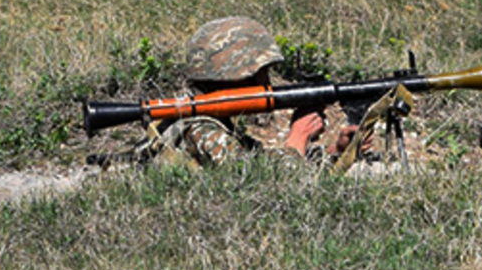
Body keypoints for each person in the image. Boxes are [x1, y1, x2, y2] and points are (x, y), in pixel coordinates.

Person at [146, 17, 365, 168]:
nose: (266, 83)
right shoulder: (201, 130)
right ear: (232, 75)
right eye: (259, 74)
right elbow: (263, 185)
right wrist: (299, 136)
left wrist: (336, 151)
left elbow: (268, 164)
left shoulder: (214, 123)